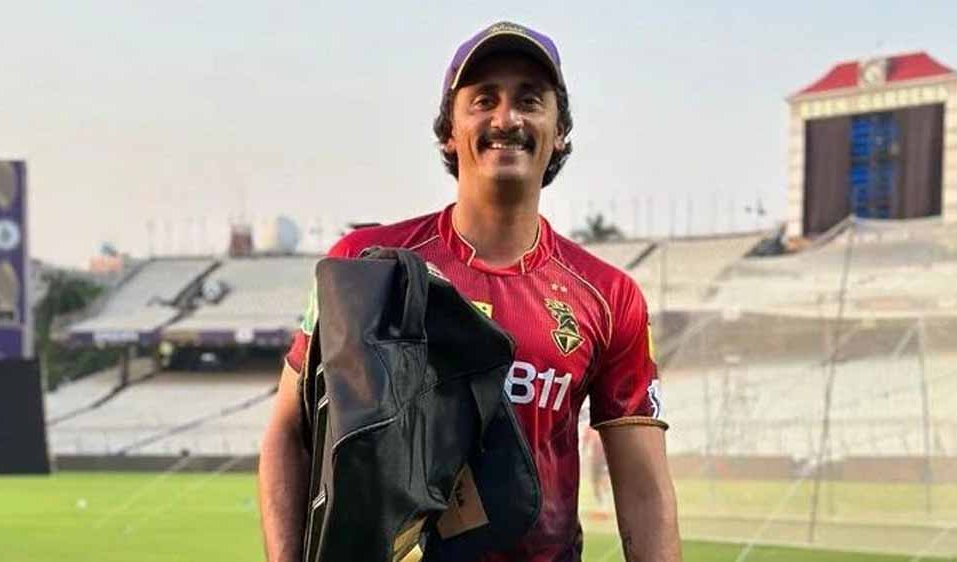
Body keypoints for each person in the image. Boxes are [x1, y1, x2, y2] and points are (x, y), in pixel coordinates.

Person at [259, 21, 681, 562]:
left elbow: (645, 490)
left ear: (560, 132)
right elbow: (288, 431)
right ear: (448, 132)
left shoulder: (608, 296)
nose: (506, 118)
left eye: (530, 100)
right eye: (484, 100)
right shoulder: (364, 265)